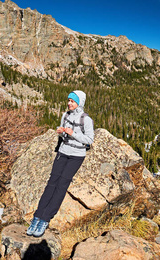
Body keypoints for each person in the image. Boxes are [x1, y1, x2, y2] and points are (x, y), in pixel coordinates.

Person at [26, 90, 94, 237]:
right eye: (69, 100)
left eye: (73, 101)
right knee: (51, 183)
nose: (69, 103)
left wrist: (72, 134)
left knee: (61, 186)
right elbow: (65, 136)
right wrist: (62, 132)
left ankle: (45, 219)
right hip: (63, 153)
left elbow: (89, 140)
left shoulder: (86, 120)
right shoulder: (65, 115)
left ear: (79, 103)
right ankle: (36, 216)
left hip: (76, 156)